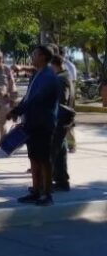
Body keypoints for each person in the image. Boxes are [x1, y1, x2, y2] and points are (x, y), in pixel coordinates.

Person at [8, 45, 59, 206]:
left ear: (43, 57)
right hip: (31, 122)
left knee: (44, 160)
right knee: (34, 159)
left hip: (43, 124)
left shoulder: (49, 76)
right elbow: (28, 97)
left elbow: (35, 99)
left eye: (35, 55)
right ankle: (36, 192)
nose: (32, 57)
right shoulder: (38, 74)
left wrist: (17, 110)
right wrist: (17, 111)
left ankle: (47, 195)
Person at [51, 54, 74, 191]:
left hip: (59, 121)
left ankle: (59, 181)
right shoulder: (66, 77)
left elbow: (61, 101)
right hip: (63, 120)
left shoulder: (60, 79)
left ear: (53, 64)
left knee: (54, 152)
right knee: (60, 151)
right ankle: (61, 181)